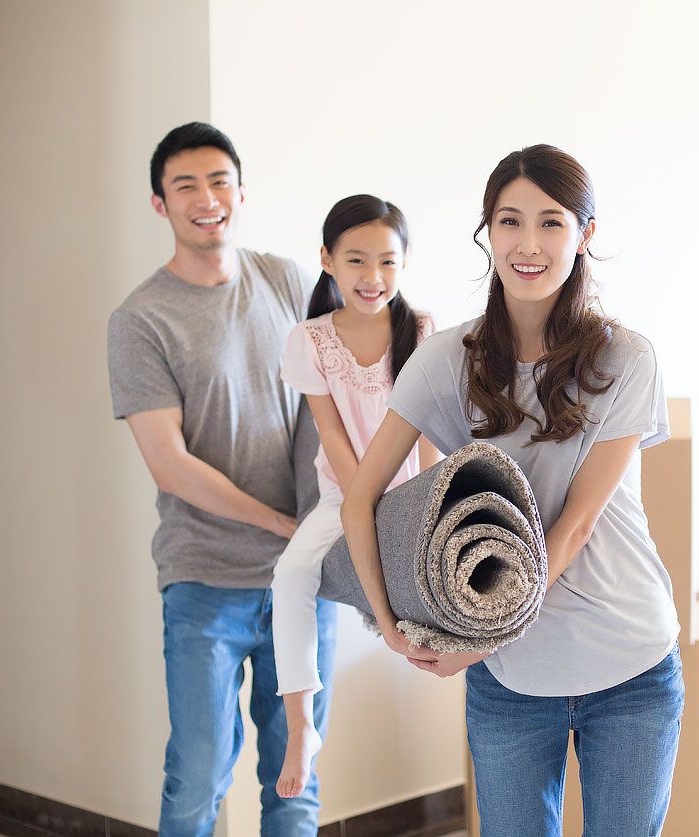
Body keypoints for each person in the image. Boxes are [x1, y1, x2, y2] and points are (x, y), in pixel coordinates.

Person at [340, 145, 685, 837]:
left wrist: (478, 639)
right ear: (486, 231)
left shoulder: (626, 358)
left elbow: (576, 523)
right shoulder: (443, 362)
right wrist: (395, 627)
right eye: (509, 221)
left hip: (629, 665)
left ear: (584, 235)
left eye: (551, 223)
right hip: (510, 681)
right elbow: (361, 497)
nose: (528, 244)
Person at [107, 122, 336, 836]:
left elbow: (352, 373)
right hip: (204, 580)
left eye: (219, 182)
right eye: (185, 186)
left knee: (296, 778)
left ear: (241, 191)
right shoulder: (140, 319)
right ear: (159, 204)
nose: (206, 199)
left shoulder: (288, 281)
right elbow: (169, 462)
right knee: (199, 775)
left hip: (303, 582)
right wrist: (277, 523)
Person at [271, 195, 439, 798]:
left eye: (388, 263)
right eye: (357, 261)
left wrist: (422, 507)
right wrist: (362, 506)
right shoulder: (309, 340)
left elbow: (426, 438)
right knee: (291, 575)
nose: (373, 278)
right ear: (327, 260)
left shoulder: (420, 331)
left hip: (407, 493)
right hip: (341, 494)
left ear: (404, 263)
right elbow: (335, 441)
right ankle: (301, 725)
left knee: (428, 570)